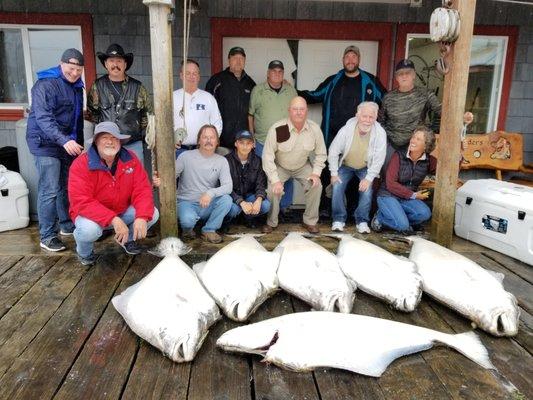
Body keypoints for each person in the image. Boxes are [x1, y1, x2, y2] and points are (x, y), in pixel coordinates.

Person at [68, 121, 159, 265]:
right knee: (89, 231)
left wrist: (141, 216)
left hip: (120, 210)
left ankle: (128, 240)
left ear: (120, 142)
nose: (110, 142)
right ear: (96, 141)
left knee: (151, 214)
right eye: (105, 137)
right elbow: (81, 201)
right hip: (91, 216)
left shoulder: (131, 158)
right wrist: (114, 220)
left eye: (114, 138)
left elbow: (142, 189)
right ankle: (84, 254)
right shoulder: (80, 164)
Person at [26, 48, 85, 252]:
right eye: (71, 68)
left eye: (79, 69)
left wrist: (80, 144)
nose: (75, 73)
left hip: (66, 143)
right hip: (44, 143)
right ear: (61, 65)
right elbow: (43, 118)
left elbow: (77, 119)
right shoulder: (46, 84)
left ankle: (67, 225)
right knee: (49, 189)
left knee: (65, 185)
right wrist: (64, 140)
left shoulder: (77, 86)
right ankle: (47, 235)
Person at [299, 45, 386, 148]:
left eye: (354, 56)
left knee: (356, 164)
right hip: (331, 138)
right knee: (330, 163)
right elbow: (314, 96)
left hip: (360, 141)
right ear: (343, 60)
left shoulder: (371, 81)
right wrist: (291, 92)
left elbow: (388, 101)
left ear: (359, 59)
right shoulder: (332, 81)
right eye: (347, 57)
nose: (350, 60)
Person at [262, 97, 327, 234]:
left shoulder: (314, 129)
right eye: (295, 109)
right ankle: (271, 222)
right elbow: (268, 157)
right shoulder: (279, 128)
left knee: (316, 185)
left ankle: (309, 221)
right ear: (289, 111)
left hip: (303, 166)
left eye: (302, 109)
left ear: (306, 111)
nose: (298, 112)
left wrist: (315, 173)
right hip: (281, 166)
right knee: (273, 189)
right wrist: (275, 180)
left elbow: (321, 154)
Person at [88, 43, 152, 163]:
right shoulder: (97, 86)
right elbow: (93, 114)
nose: (115, 65)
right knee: (106, 178)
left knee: (134, 178)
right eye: (111, 61)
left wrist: (132, 130)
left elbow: (147, 115)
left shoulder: (138, 87)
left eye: (119, 61)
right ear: (106, 64)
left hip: (132, 144)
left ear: (125, 64)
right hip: (106, 144)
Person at [328, 102, 386, 234]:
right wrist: (333, 173)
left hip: (365, 167)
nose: (367, 120)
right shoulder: (346, 129)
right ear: (357, 115)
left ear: (376, 117)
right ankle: (338, 219)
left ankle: (362, 220)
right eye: (364, 116)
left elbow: (379, 159)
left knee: (367, 189)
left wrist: (369, 178)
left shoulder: (380, 133)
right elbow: (333, 151)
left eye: (371, 117)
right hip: (346, 165)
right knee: (337, 185)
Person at [248, 59, 297, 214]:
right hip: (263, 138)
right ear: (268, 73)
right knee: (263, 175)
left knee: (287, 172)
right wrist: (252, 136)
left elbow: (297, 114)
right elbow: (251, 114)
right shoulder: (258, 90)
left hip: (284, 138)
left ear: (283, 74)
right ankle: (265, 208)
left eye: (280, 71)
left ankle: (284, 208)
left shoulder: (290, 91)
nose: (277, 74)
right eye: (274, 71)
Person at [378, 59, 441, 168]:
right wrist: (388, 139)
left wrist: (462, 117)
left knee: (411, 176)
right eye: (400, 74)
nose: (404, 76)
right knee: (387, 173)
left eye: (408, 73)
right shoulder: (388, 97)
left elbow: (441, 111)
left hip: (415, 145)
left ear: (414, 75)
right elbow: (381, 121)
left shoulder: (426, 94)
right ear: (396, 78)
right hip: (392, 145)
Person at [372, 126, 436, 233]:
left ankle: (393, 219)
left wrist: (460, 155)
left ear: (426, 145)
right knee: (402, 226)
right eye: (413, 137)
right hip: (388, 195)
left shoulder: (429, 161)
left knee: (425, 214)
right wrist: (414, 195)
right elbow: (390, 183)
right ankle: (380, 218)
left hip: (406, 198)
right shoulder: (398, 155)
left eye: (418, 139)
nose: (413, 140)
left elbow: (446, 170)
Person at [175, 124, 233, 243]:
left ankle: (209, 229)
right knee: (188, 221)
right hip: (187, 202)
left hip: (207, 204)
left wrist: (210, 193)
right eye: (205, 137)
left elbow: (228, 186)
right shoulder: (185, 156)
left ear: (217, 142)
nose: (208, 140)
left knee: (226, 200)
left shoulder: (221, 161)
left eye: (212, 138)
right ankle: (188, 229)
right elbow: (171, 177)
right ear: (199, 140)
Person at [205, 46, 255, 150]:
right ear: (229, 60)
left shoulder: (251, 84)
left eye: (241, 58)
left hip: (243, 140)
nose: (238, 61)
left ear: (245, 61)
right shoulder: (217, 80)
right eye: (235, 58)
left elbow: (255, 111)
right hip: (222, 139)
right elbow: (207, 109)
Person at [173, 59, 222, 158]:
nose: (192, 76)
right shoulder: (172, 97)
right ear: (181, 75)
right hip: (178, 151)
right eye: (188, 73)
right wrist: (169, 141)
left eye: (195, 73)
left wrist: (211, 142)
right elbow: (164, 123)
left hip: (202, 150)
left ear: (199, 77)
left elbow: (217, 123)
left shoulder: (208, 98)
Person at [224, 130, 270, 230]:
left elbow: (261, 184)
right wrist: (241, 202)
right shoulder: (226, 160)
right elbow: (224, 187)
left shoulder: (257, 161)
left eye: (248, 143)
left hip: (249, 195)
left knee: (265, 205)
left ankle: (248, 218)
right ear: (236, 144)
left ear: (253, 145)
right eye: (241, 143)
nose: (245, 146)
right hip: (233, 197)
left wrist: (258, 199)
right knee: (233, 209)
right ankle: (227, 221)